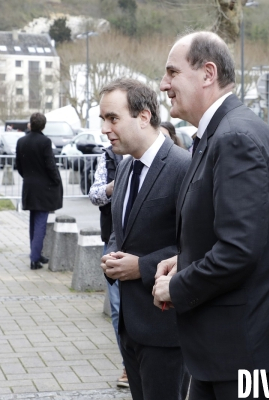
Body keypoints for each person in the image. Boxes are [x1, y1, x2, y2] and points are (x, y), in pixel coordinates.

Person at [153, 31, 269, 400]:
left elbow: (238, 250)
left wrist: (178, 286)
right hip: (229, 345)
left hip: (248, 345)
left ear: (207, 73)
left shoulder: (234, 137)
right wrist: (183, 259)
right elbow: (228, 232)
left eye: (171, 72)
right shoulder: (219, 133)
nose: (163, 84)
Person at [99, 78, 191, 400]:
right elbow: (119, 230)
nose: (105, 128)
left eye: (113, 118)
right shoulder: (125, 168)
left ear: (143, 116)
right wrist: (112, 254)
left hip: (166, 328)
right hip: (129, 326)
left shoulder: (183, 167)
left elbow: (195, 245)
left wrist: (142, 266)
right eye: (103, 119)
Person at [88, 144, 127, 388]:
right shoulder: (109, 157)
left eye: (113, 119)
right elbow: (95, 194)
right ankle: (128, 365)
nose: (107, 130)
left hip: (146, 246)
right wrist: (116, 185)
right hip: (113, 240)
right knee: (117, 307)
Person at [16, 113, 63, 270]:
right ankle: (35, 258)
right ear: (43, 126)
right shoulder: (45, 141)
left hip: (29, 186)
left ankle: (36, 253)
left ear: (30, 124)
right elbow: (50, 164)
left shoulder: (21, 141)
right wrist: (56, 180)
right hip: (43, 187)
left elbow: (19, 166)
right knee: (40, 222)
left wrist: (28, 177)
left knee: (33, 222)